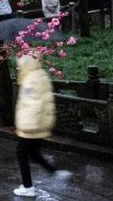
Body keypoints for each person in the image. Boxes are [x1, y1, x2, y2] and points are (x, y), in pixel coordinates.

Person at [13, 54, 71, 196]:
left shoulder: (30, 80)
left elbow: (32, 105)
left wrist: (24, 126)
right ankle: (54, 172)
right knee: (33, 153)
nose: (19, 68)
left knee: (21, 153)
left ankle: (28, 188)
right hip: (42, 124)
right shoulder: (41, 75)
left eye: (20, 65)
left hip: (31, 125)